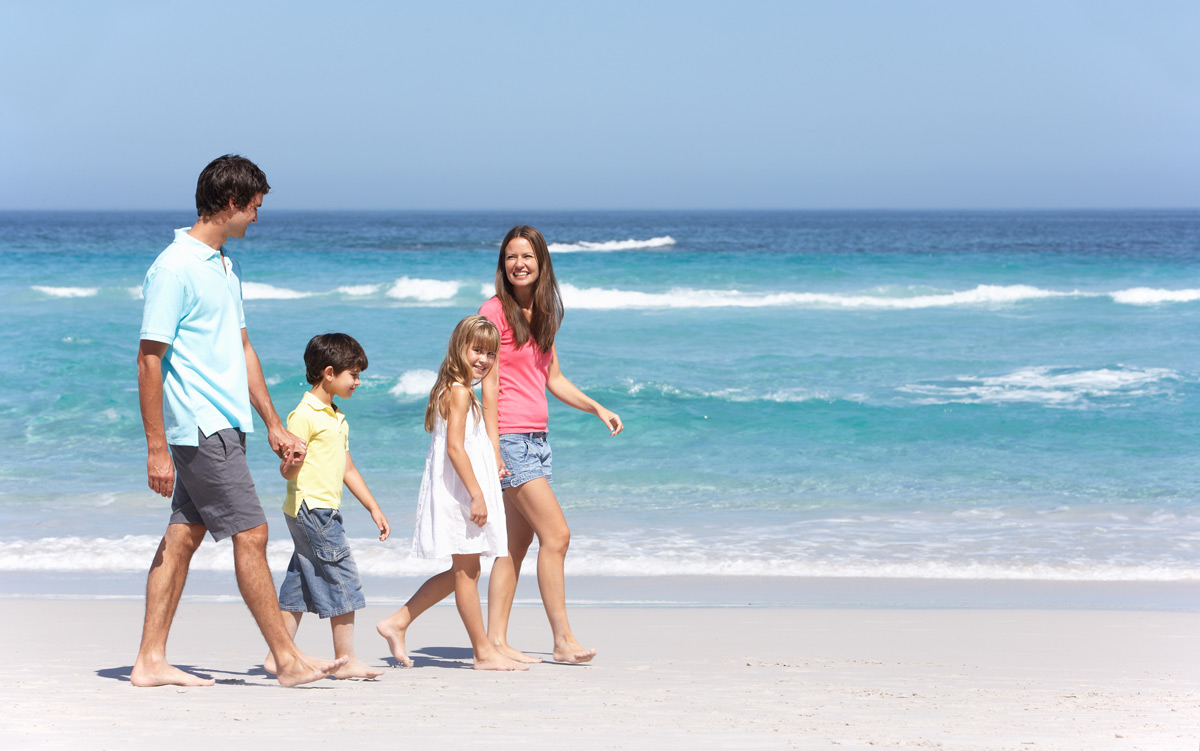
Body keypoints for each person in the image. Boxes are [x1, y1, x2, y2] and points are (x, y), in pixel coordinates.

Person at [132, 155, 346, 687]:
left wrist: (273, 423)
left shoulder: (226, 266)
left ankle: (149, 660)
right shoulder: (174, 268)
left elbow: (243, 348)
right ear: (230, 203)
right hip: (200, 425)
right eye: (253, 207)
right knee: (252, 532)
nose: (256, 217)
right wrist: (157, 448)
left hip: (229, 423)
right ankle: (287, 658)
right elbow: (149, 359)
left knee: (183, 537)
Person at [479, 226, 623, 664]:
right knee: (557, 535)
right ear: (502, 264)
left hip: (537, 442)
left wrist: (597, 408)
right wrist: (493, 449)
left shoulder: (542, 313)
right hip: (510, 440)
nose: (519, 264)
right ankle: (562, 640)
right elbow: (487, 385)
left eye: (527, 256)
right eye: (511, 256)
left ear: (541, 263)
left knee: (515, 546)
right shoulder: (493, 312)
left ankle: (495, 642)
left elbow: (553, 378)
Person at [377, 315, 527, 671]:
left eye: (490, 353)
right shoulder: (459, 392)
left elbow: (466, 445)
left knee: (466, 569)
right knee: (467, 572)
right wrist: (477, 494)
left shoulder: (457, 389)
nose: (484, 360)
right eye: (477, 350)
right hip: (461, 492)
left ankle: (398, 622)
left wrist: (491, 462)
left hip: (460, 488)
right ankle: (482, 652)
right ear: (459, 347)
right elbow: (455, 449)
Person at [262, 333, 391, 680]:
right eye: (354, 375)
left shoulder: (336, 417)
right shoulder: (303, 415)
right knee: (343, 578)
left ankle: (277, 655)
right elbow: (287, 470)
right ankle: (346, 661)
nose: (358, 382)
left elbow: (348, 469)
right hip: (312, 509)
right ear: (329, 373)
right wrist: (291, 464)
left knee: (301, 581)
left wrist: (373, 508)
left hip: (318, 510)